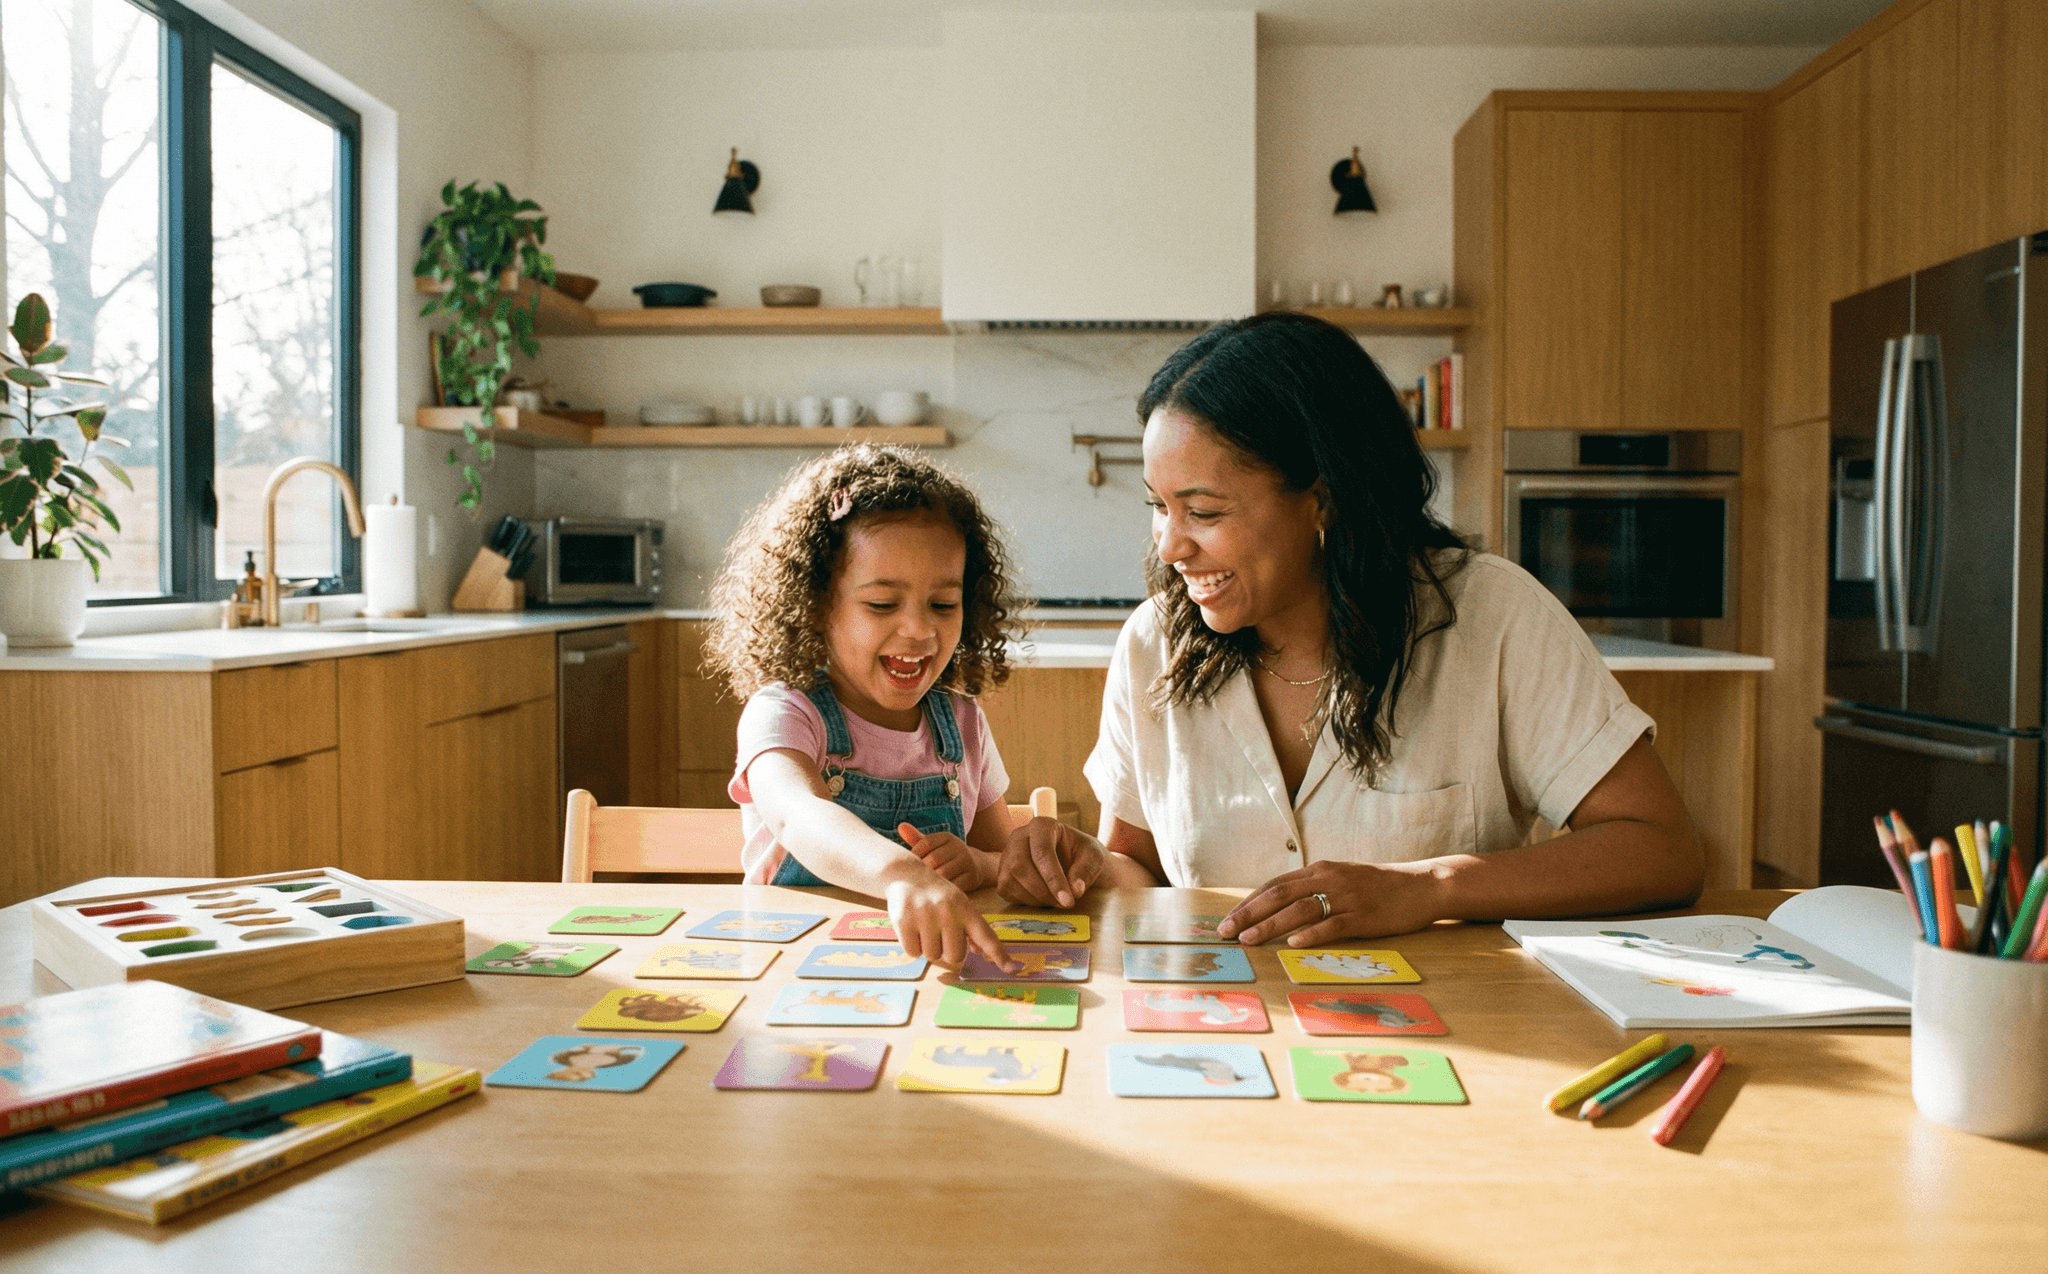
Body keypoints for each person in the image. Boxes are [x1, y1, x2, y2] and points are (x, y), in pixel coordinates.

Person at [998, 311, 1703, 943]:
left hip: (1455, 1040)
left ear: (1323, 500)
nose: (1170, 546)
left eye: (1204, 512)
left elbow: (1661, 849)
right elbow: (1141, 868)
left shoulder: (1492, 617)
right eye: (1159, 506)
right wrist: (1085, 867)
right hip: (1227, 1031)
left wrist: (1431, 888)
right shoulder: (1155, 642)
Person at [706, 444, 1023, 970]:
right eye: (881, 604)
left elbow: (999, 862)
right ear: (814, 604)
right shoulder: (784, 714)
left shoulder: (963, 723)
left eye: (943, 604)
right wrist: (903, 873)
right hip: (789, 974)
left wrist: (981, 866)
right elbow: (799, 817)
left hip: (930, 977)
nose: (920, 630)